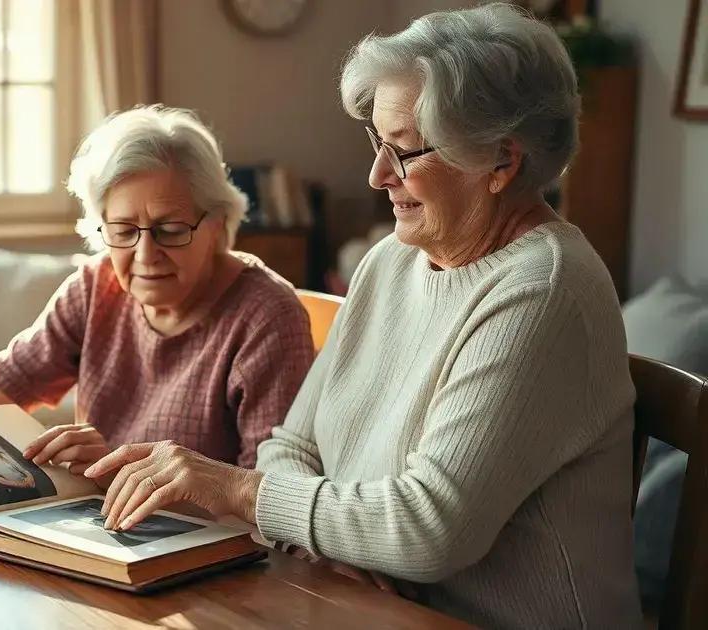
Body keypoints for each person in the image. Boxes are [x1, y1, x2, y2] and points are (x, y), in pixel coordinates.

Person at [82, 5, 641, 628]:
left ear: (500, 161)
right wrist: (328, 542)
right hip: (358, 606)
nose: (377, 176)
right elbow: (291, 445)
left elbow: (428, 531)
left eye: (403, 151)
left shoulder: (543, 290)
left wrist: (235, 489)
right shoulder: (392, 261)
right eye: (377, 143)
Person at [0, 106, 314, 476]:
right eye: (122, 230)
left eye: (170, 229)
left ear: (218, 224)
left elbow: (267, 496)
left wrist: (115, 470)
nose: (145, 255)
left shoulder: (265, 316)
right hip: (99, 535)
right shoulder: (97, 287)